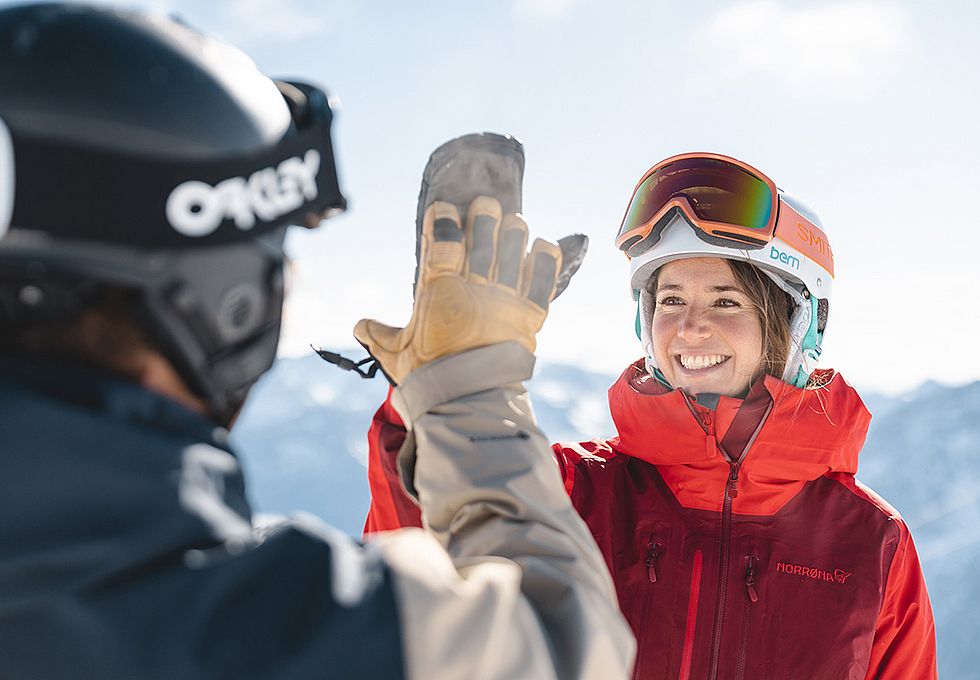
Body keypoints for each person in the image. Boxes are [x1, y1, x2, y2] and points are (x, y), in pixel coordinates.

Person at [0, 4, 635, 678]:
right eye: (274, 254)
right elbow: (564, 638)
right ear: (229, 305)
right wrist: (468, 391)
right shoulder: (259, 629)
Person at [365, 153, 939, 678]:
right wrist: (438, 399)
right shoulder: (570, 492)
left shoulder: (872, 544)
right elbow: (417, 580)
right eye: (670, 300)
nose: (690, 327)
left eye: (725, 300)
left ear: (797, 324)